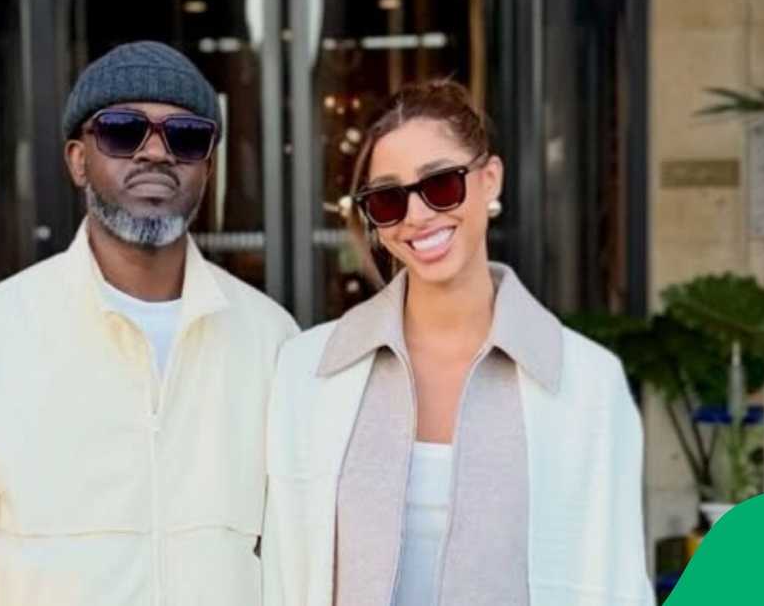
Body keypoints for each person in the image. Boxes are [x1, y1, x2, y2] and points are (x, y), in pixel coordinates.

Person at [0, 40, 299, 605]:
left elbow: (303, 554)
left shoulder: (270, 339)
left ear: (209, 167)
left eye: (187, 136)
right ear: (78, 160)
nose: (156, 152)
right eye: (124, 131)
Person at [261, 80, 653, 606]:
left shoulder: (588, 383)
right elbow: (284, 574)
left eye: (441, 184)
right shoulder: (307, 370)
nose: (417, 216)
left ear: (490, 180)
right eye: (388, 199)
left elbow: (615, 583)